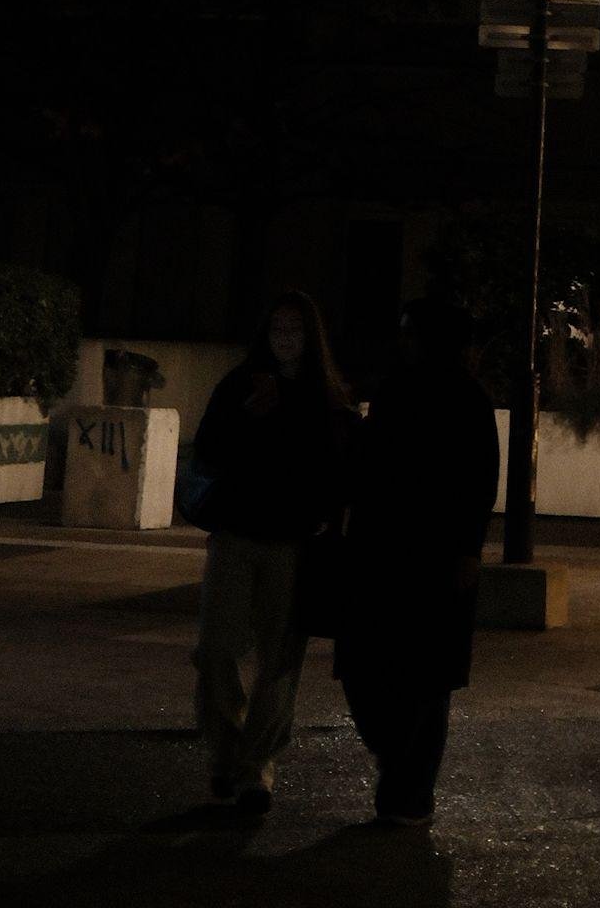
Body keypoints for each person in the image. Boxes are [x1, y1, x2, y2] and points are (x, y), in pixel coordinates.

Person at [336, 295, 501, 829]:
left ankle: (407, 791)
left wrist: (468, 550)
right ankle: (403, 776)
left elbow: (478, 483)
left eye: (411, 332)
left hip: (428, 555)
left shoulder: (462, 399)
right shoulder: (398, 390)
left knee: (422, 679)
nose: (402, 341)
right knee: (382, 670)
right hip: (386, 550)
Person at [187, 294, 355, 817]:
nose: (285, 339)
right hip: (236, 533)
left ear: (311, 337)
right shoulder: (240, 384)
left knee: (279, 660)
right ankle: (225, 752)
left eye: (295, 330)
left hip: (293, 541)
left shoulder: (324, 395)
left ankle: (256, 766)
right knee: (215, 649)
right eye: (277, 329)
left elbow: (339, 463)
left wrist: (326, 512)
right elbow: (209, 449)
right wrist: (247, 417)